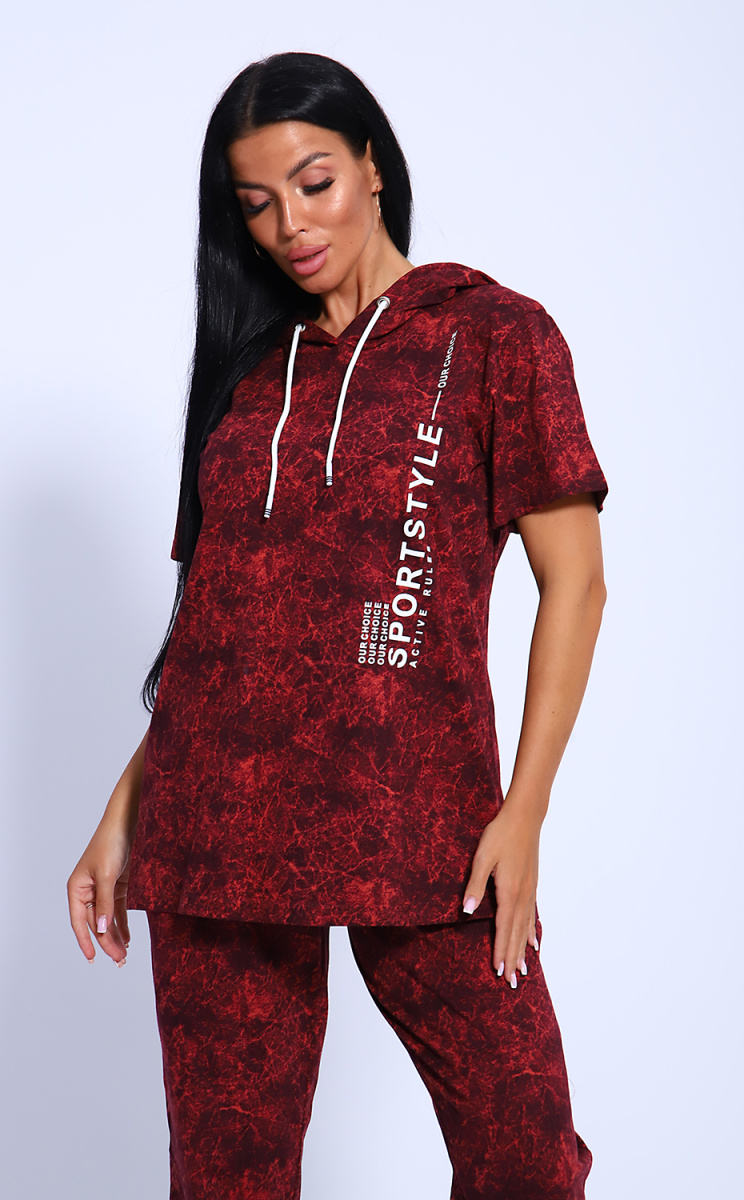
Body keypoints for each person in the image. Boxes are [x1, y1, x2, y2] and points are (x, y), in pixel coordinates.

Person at [67, 50, 608, 1200]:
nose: (289, 226)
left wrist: (523, 811)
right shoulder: (250, 374)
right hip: (213, 832)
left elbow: (575, 584)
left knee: (524, 1153)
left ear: (371, 163)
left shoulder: (493, 338)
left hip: (421, 823)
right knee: (228, 1180)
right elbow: (217, 629)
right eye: (255, 204)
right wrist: (124, 811)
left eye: (312, 183)